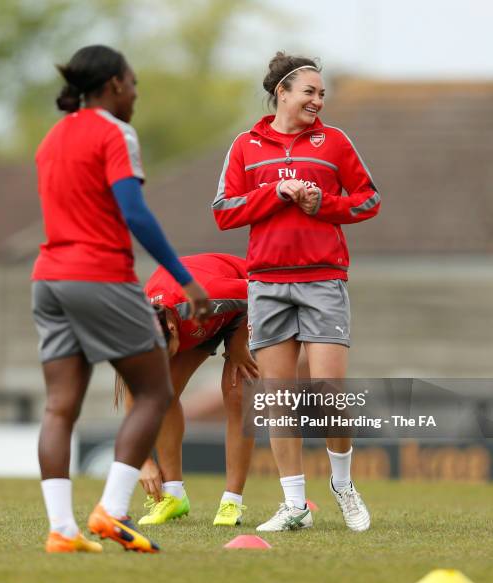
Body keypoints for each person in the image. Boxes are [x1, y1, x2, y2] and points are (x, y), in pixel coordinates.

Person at [32, 45, 210, 553]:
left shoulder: (52, 137)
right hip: (99, 276)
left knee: (59, 407)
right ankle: (111, 510)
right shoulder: (114, 131)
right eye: (133, 85)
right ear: (112, 85)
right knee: (154, 391)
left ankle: (62, 531)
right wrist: (183, 277)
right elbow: (133, 211)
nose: (135, 95)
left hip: (48, 279)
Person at [212, 51, 380, 532]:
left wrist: (319, 202)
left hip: (323, 280)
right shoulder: (245, 145)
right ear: (281, 92)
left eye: (322, 93)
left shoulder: (335, 142)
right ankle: (294, 506)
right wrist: (276, 193)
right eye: (309, 91)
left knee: (330, 394)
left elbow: (368, 199)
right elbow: (224, 210)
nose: (317, 100)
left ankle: (343, 486)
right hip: (266, 283)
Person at [117, 253, 258, 527]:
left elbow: (261, 289)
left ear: (171, 327)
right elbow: (137, 395)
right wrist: (143, 461)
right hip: (199, 325)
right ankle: (174, 496)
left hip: (238, 308)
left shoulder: (203, 296)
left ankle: (232, 502)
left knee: (237, 393)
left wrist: (238, 344)